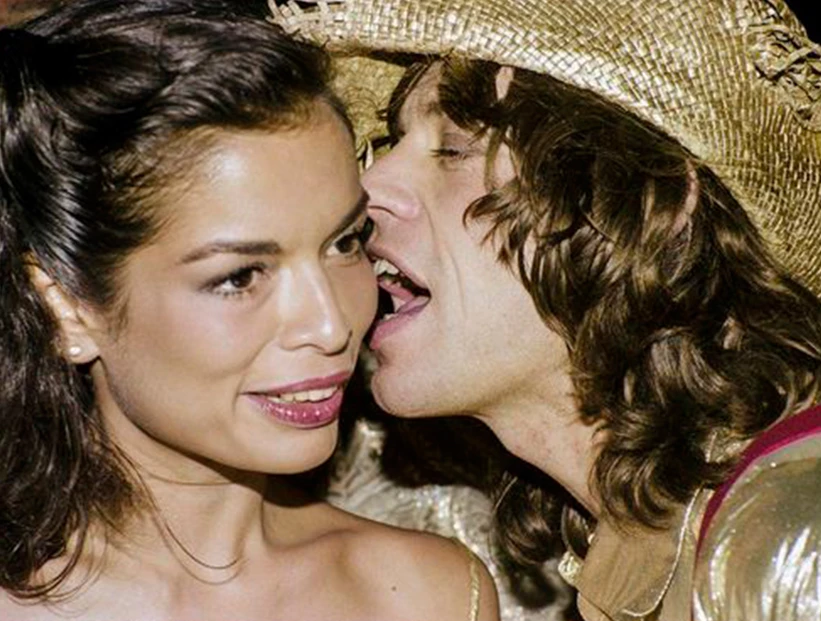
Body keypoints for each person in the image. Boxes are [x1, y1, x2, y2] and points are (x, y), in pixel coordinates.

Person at [270, 0, 821, 619]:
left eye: (452, 149)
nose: (365, 190)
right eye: (388, 145)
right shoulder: (660, 544)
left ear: (648, 205)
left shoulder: (794, 531)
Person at [0, 1, 501, 619]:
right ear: (67, 308)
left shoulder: (427, 594)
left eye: (346, 243)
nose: (331, 325)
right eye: (240, 277)